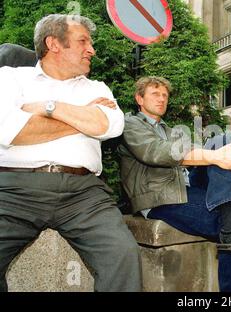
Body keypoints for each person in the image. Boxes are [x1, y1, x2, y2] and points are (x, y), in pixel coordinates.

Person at [0, 14, 141, 292]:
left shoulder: (97, 88)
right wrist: (82, 120)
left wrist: (47, 107)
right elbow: (10, 131)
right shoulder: (10, 78)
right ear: (53, 44)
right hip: (13, 191)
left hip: (84, 195)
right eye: (83, 42)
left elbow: (109, 125)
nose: (92, 49)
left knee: (123, 254)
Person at [118, 76, 231, 292]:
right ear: (139, 98)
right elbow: (156, 152)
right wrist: (215, 157)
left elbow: (197, 149)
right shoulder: (130, 124)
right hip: (159, 197)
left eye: (165, 95)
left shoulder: (169, 130)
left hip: (185, 188)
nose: (162, 99)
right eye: (155, 94)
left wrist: (227, 158)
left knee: (223, 141)